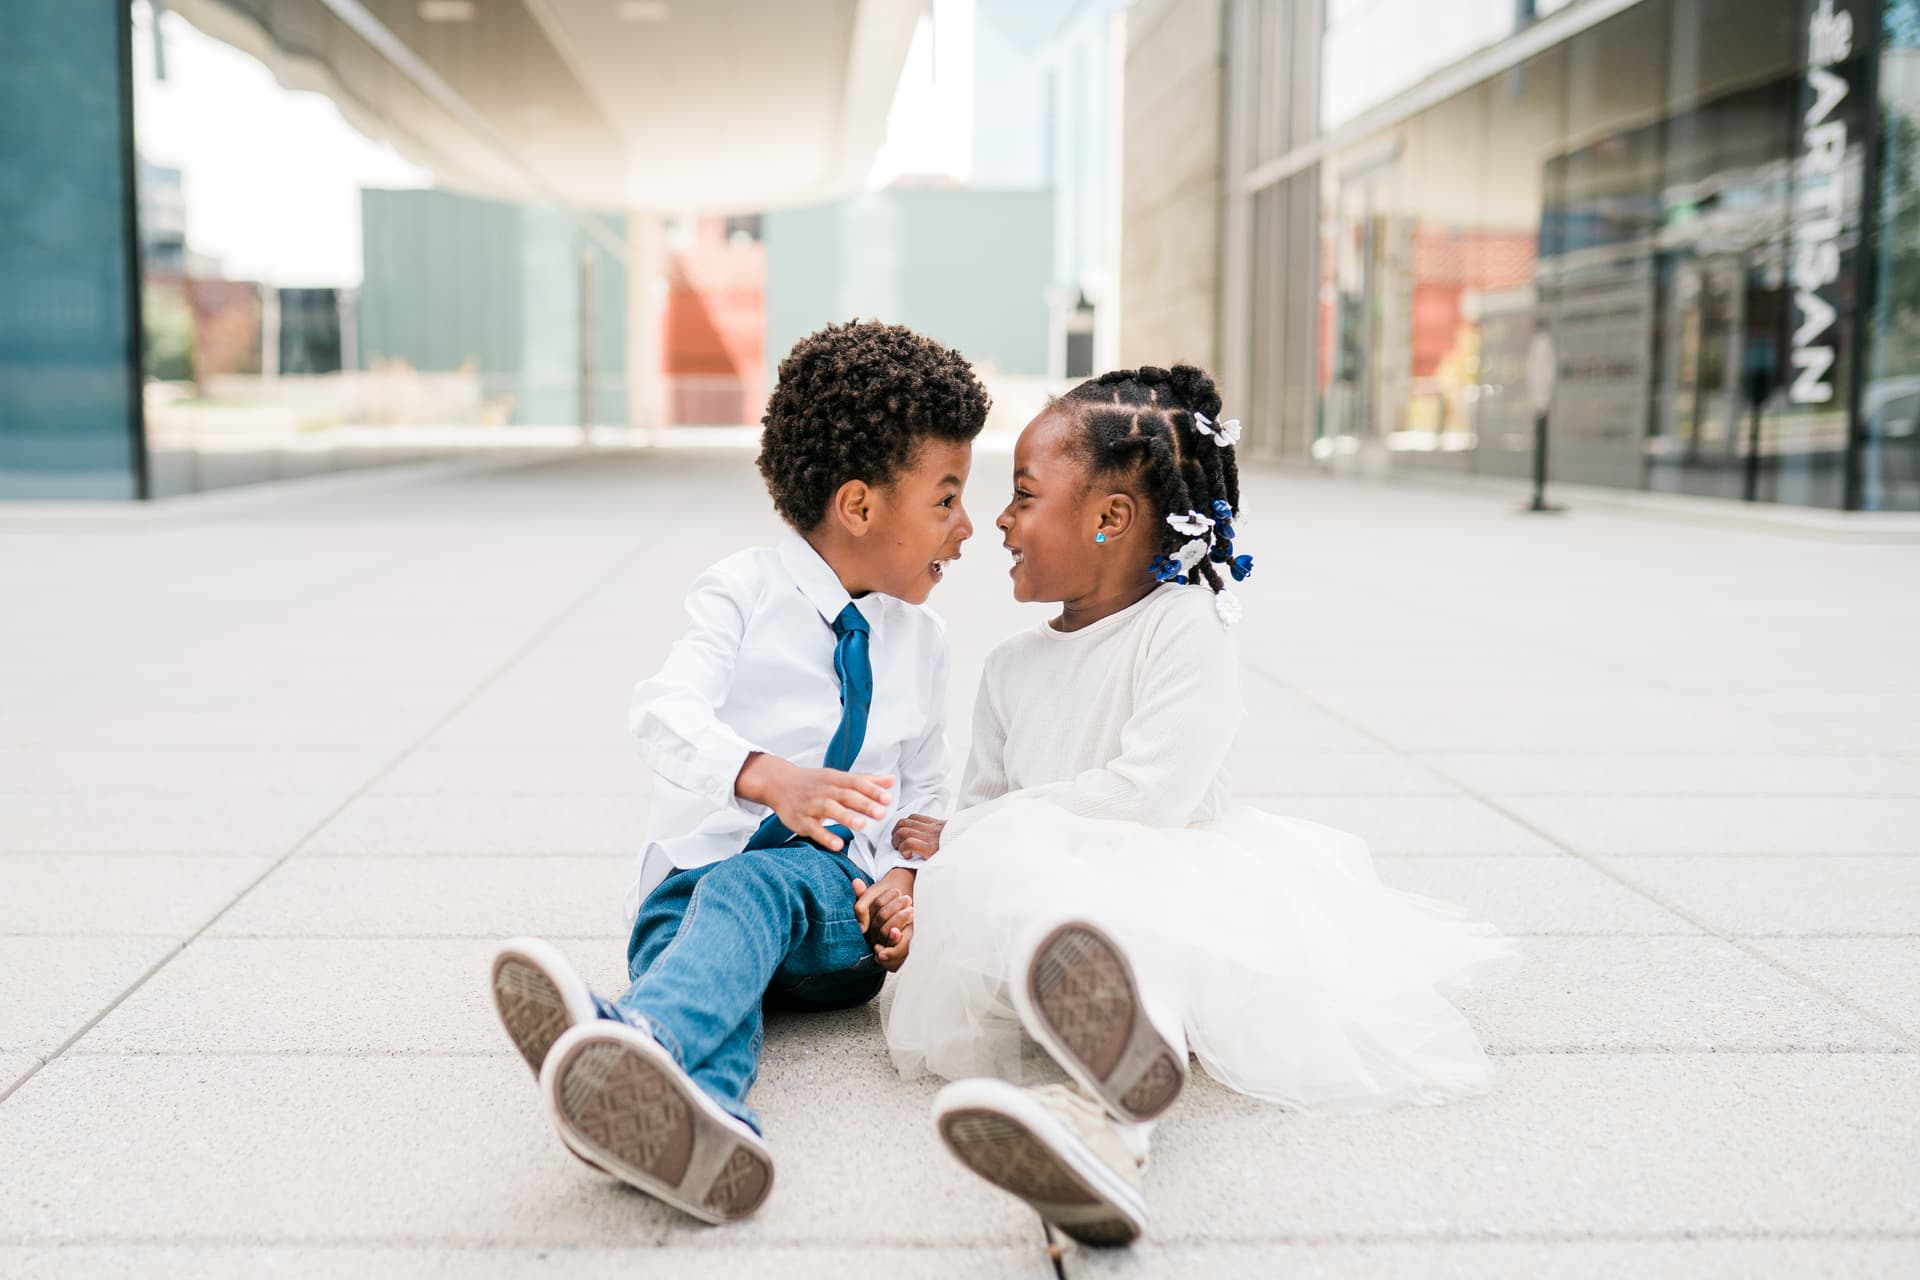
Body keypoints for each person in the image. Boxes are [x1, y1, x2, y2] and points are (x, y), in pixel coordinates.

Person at [884, 364, 1510, 1246]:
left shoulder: (1186, 626)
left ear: (1110, 519)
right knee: (1042, 929)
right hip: (1040, 898)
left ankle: (1113, 1128)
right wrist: (930, 873)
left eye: (1023, 496)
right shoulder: (1011, 667)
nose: (1000, 520)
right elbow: (982, 801)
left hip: (1175, 868)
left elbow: (1155, 793)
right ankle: (1089, 1125)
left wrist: (976, 833)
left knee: (1144, 963)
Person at [487, 320, 988, 1223]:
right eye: (947, 499)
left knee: (764, 885)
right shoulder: (741, 591)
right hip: (693, 889)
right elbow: (662, 711)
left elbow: (924, 794)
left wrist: (907, 880)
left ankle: (631, 1033)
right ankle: (699, 1122)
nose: (968, 527)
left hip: (834, 908)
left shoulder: (926, 641)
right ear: (860, 506)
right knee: (699, 944)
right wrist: (765, 776)